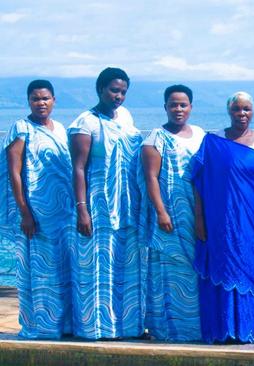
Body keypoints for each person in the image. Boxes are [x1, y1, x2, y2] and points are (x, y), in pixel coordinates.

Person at [68, 67, 144, 339]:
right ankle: (95, 328)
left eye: (123, 91)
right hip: (97, 205)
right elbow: (78, 168)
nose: (119, 96)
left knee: (125, 264)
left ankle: (127, 326)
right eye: (114, 90)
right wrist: (82, 209)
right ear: (100, 89)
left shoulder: (124, 116)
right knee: (97, 266)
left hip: (127, 203)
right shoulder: (84, 122)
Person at [192, 91, 254, 345]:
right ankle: (223, 330)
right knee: (223, 268)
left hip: (253, 222)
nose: (242, 114)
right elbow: (199, 182)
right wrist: (199, 219)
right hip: (221, 221)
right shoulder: (213, 141)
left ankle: (250, 331)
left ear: (253, 111)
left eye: (247, 109)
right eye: (237, 109)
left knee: (251, 271)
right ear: (229, 111)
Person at [0, 80, 74, 339]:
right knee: (40, 271)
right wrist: (25, 212)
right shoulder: (21, 129)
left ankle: (62, 324)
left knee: (62, 270)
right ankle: (41, 326)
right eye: (35, 99)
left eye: (45, 98)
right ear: (28, 101)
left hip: (63, 215)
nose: (41, 103)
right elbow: (14, 172)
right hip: (37, 215)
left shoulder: (61, 129)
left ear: (54, 100)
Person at [139, 85, 205, 341]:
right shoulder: (156, 138)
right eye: (173, 104)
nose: (178, 109)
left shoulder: (199, 134)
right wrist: (161, 212)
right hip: (169, 216)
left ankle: (193, 328)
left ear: (191, 107)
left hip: (194, 211)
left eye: (183, 104)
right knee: (168, 269)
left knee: (192, 270)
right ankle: (168, 329)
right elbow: (150, 178)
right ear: (165, 107)